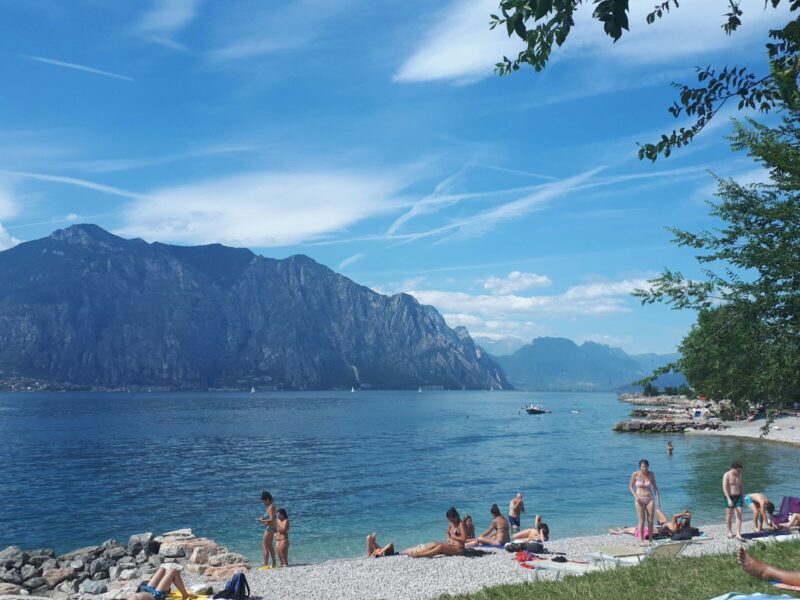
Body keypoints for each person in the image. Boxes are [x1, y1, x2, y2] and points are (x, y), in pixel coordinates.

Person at [403, 507, 467, 558]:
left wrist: (454, 537)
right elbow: (447, 532)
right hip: (450, 545)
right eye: (449, 519)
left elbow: (464, 539)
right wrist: (448, 538)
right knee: (434, 543)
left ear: (456, 517)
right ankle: (417, 552)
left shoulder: (461, 524)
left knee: (440, 546)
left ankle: (420, 555)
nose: (450, 521)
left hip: (459, 548)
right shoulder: (451, 523)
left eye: (451, 519)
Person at [629, 459, 660, 545]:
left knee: (650, 520)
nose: (644, 468)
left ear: (648, 466)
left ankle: (650, 540)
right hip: (639, 499)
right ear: (640, 467)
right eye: (643, 466)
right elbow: (630, 487)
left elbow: (655, 487)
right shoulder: (635, 474)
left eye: (646, 466)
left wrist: (658, 499)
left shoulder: (651, 474)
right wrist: (635, 497)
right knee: (641, 520)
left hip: (649, 499)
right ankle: (641, 540)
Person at [608, 509, 691, 539]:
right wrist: (685, 515)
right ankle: (621, 530)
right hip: (662, 526)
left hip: (662, 525)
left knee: (628, 530)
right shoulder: (680, 528)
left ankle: (616, 532)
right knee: (658, 510)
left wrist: (685, 514)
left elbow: (674, 516)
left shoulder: (675, 526)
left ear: (681, 523)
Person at [127, 566, 196, 600]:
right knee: (173, 571)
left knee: (162, 569)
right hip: (155, 596)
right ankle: (185, 595)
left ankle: (168, 584)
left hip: (145, 589)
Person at [723, 462, 745, 540]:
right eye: (738, 470)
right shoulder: (727, 475)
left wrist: (742, 497)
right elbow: (724, 488)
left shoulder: (739, 475)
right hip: (729, 497)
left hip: (738, 497)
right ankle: (729, 531)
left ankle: (738, 533)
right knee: (729, 515)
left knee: (739, 514)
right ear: (734, 468)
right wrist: (729, 499)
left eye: (740, 471)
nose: (739, 472)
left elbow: (740, 486)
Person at [256, 490, 278, 568]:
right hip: (271, 528)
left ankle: (265, 564)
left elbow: (272, 519)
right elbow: (268, 516)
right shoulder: (269, 507)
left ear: (267, 499)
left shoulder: (271, 507)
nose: (264, 503)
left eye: (264, 501)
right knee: (269, 546)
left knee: (264, 545)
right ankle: (274, 564)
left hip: (269, 528)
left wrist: (261, 521)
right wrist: (262, 517)